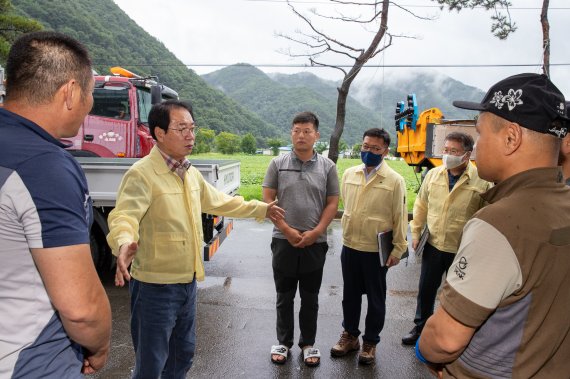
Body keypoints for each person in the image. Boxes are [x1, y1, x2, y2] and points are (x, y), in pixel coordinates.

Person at [106, 99, 284, 378]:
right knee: (150, 363)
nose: (190, 135)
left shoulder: (189, 173)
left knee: (182, 355)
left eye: (192, 128)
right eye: (181, 128)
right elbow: (123, 215)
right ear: (159, 133)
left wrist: (261, 208)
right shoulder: (142, 174)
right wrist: (124, 242)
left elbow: (219, 201)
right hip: (154, 288)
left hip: (186, 284)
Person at [417, 73, 570, 378]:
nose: (477, 146)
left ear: (511, 138)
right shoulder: (562, 201)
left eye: (481, 134)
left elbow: (446, 341)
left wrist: (423, 350)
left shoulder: (500, 221)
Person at [0, 31, 112, 377]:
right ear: (71, 93)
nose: (89, 105)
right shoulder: (45, 165)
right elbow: (81, 309)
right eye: (91, 93)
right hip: (28, 362)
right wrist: (101, 345)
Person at [263, 111, 339, 367]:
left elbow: (332, 202)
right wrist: (286, 229)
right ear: (291, 133)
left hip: (314, 243)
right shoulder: (277, 164)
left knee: (310, 297)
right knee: (284, 295)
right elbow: (268, 198)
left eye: (307, 131)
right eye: (296, 130)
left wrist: (317, 231)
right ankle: (283, 342)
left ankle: (308, 343)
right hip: (283, 240)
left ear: (316, 135)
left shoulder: (327, 166)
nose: (301, 135)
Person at [401, 131, 491, 346]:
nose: (447, 155)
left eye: (454, 151)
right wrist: (415, 233)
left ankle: (452, 333)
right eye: (446, 150)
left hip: (463, 248)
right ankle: (420, 327)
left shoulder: (482, 181)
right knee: (426, 289)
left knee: (457, 294)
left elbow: (487, 215)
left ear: (467, 155)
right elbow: (421, 205)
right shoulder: (433, 175)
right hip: (433, 244)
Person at [330, 128, 407, 364]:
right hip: (351, 244)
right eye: (365, 146)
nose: (369, 151)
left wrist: (398, 249)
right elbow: (347, 206)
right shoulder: (349, 174)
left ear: (385, 151)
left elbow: (400, 217)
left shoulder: (394, 180)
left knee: (375, 299)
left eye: (375, 148)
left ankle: (370, 342)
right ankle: (350, 335)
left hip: (376, 251)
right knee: (350, 296)